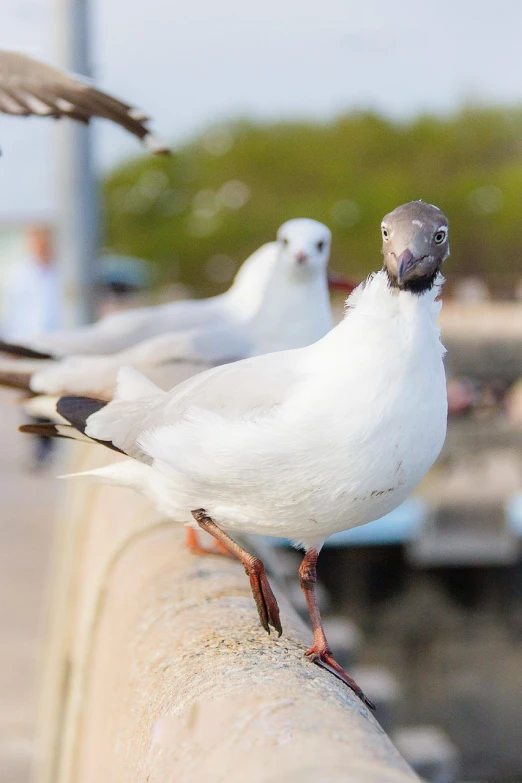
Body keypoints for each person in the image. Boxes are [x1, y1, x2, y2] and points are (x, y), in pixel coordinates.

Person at [2, 225, 62, 466]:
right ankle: (40, 445)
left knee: (57, 393)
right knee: (32, 395)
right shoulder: (20, 274)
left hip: (57, 344)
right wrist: (11, 345)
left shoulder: (62, 270)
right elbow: (12, 311)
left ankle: (54, 443)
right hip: (28, 342)